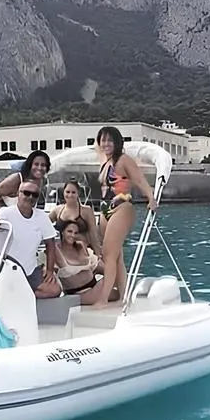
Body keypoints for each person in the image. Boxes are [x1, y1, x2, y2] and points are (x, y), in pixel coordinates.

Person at [87, 125, 157, 307]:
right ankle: (123, 295)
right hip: (105, 210)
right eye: (103, 140)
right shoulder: (105, 160)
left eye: (110, 140)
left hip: (122, 207)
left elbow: (139, 179)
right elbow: (97, 147)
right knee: (116, 256)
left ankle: (103, 299)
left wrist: (151, 198)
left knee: (109, 254)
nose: (106, 143)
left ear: (117, 142)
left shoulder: (124, 160)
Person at [0, 179, 60, 297]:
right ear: (18, 194)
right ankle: (21, 294)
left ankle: (19, 295)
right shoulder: (5, 213)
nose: (30, 197)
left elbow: (50, 245)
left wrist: (49, 270)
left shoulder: (42, 217)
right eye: (26, 193)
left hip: (30, 271)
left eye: (34, 195)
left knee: (55, 290)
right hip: (6, 270)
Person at [0, 150, 50, 221]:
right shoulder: (16, 179)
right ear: (30, 165)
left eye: (43, 165)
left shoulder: (42, 181)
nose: (39, 168)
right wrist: (6, 214)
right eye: (36, 164)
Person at [53, 217, 102, 298]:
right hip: (75, 293)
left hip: (93, 285)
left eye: (76, 233)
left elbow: (96, 266)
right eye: (69, 231)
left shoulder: (80, 245)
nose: (73, 235)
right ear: (62, 232)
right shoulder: (55, 249)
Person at [49, 180, 102, 253]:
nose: (70, 195)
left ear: (78, 193)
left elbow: (93, 235)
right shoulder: (57, 210)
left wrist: (98, 253)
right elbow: (44, 224)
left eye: (73, 192)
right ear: (63, 192)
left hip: (83, 251)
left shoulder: (87, 211)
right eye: (67, 192)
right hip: (64, 252)